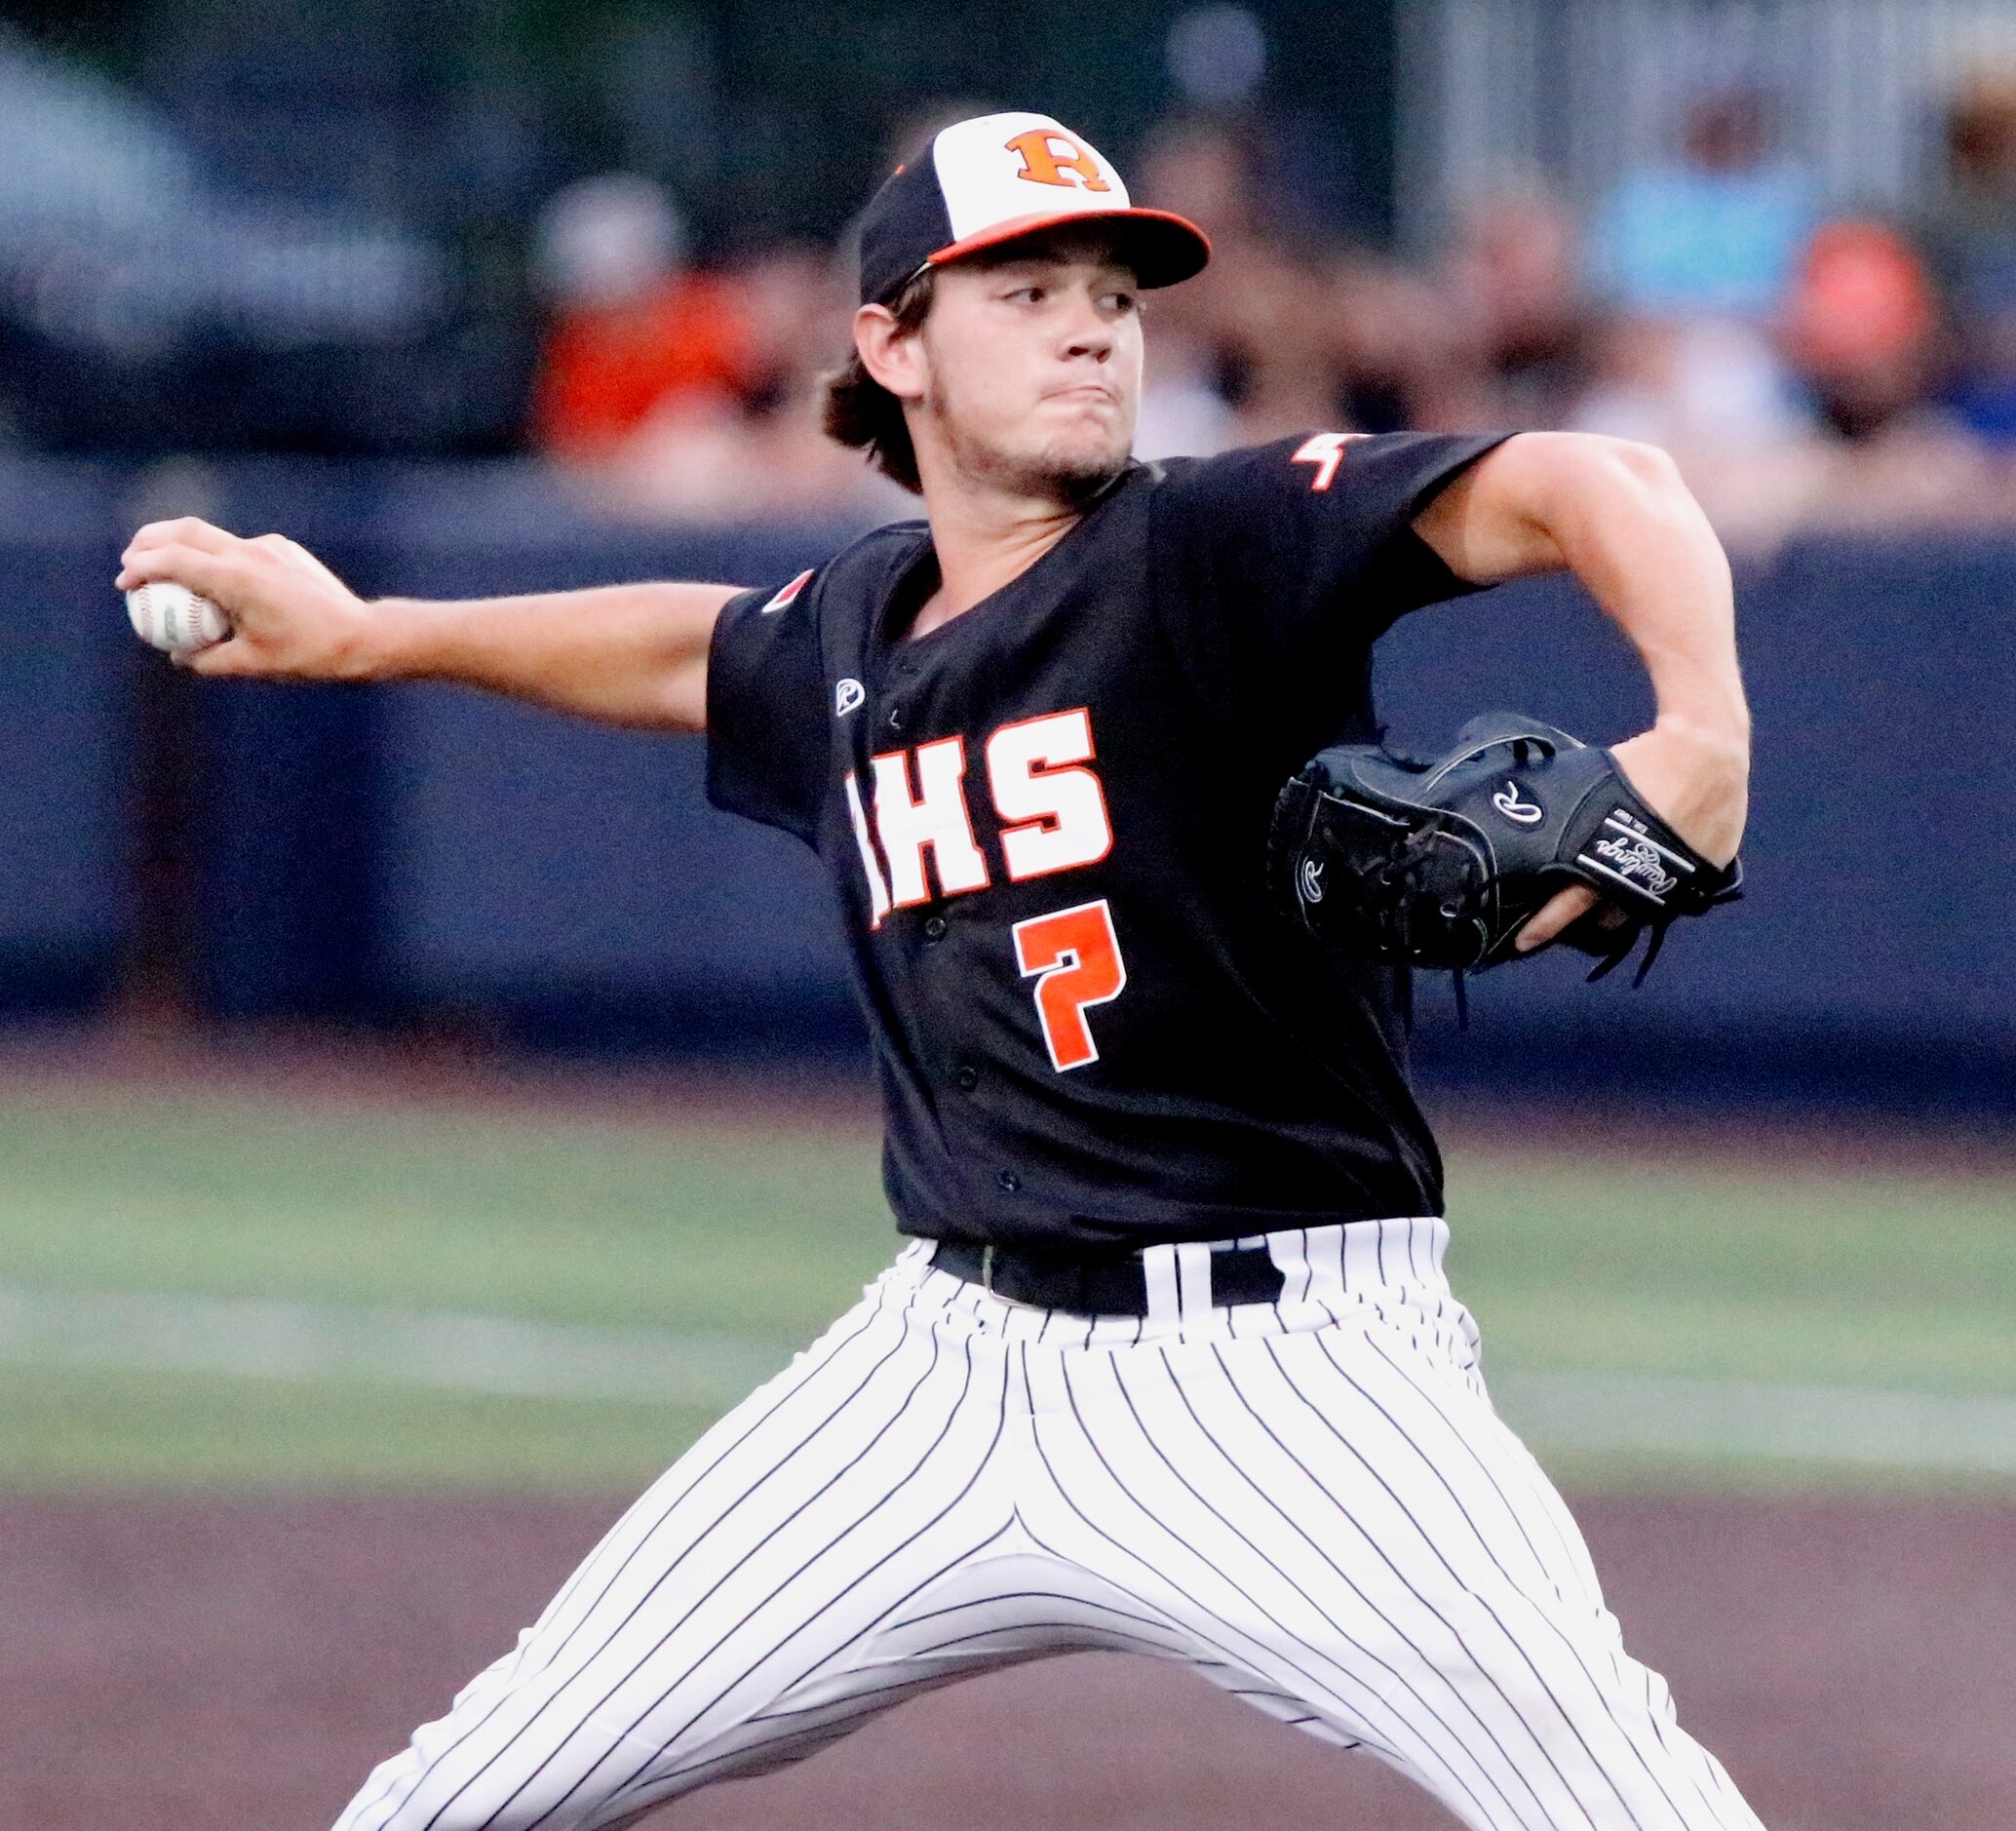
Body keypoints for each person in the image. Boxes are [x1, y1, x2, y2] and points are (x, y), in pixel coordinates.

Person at [119, 110, 1761, 1831]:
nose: (1089, 328)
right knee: (458, 1794)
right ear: (891, 344)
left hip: (1285, 1376)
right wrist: (378, 634)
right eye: (1025, 289)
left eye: (1114, 297)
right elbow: (695, 642)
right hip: (940, 1365)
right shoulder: (852, 627)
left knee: (1624, 1806)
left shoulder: (1216, 545)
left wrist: (1702, 728)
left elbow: (1604, 483)